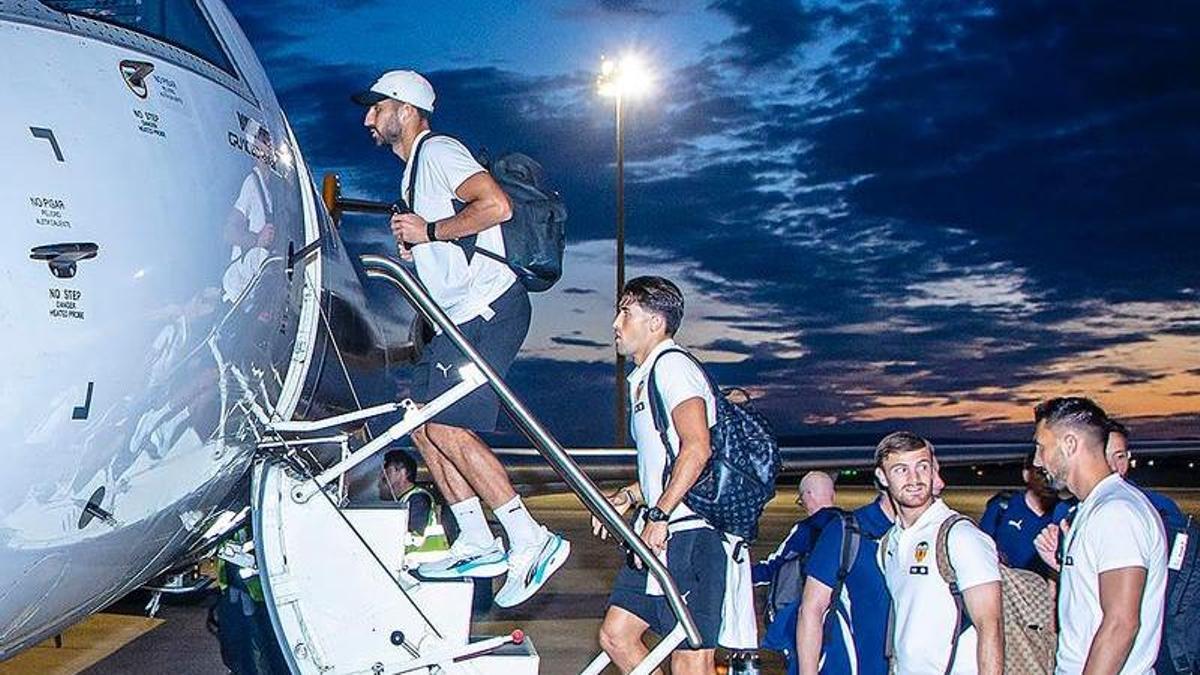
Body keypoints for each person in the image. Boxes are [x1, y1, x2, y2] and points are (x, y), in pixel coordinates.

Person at [354, 69, 568, 608]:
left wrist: (429, 231)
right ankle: (476, 538)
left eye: (377, 107)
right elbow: (454, 238)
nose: (368, 119)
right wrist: (422, 247)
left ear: (406, 109)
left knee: (447, 426)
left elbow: (496, 206)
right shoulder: (414, 174)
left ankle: (530, 538)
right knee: (423, 424)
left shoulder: (439, 151)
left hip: (488, 309)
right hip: (456, 317)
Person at [594, 276, 755, 674]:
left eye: (626, 313)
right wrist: (632, 496)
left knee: (690, 660)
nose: (615, 323)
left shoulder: (673, 367)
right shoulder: (647, 375)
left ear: (655, 322)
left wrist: (659, 514)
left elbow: (697, 447)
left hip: (692, 534)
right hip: (665, 531)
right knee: (617, 635)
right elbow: (669, 460)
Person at [1031, 398, 1167, 674]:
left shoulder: (1116, 512)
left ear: (1070, 444)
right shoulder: (1092, 508)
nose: (1036, 460)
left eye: (1041, 447)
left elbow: (1121, 624)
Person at [876, 431, 1003, 675]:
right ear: (882, 477)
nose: (914, 479)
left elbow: (991, 626)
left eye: (922, 467)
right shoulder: (888, 544)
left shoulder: (960, 536)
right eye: (901, 470)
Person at [794, 490, 895, 675]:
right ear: (883, 477)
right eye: (902, 473)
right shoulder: (847, 531)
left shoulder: (934, 532)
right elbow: (811, 609)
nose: (938, 483)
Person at [979, 449, 1058, 577]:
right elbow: (981, 548)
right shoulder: (1002, 506)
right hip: (1008, 584)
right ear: (1026, 474)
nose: (1047, 478)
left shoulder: (1064, 513)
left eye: (1052, 471)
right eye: (1040, 472)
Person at [752, 471, 839, 586]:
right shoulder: (853, 524)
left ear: (809, 495)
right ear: (833, 494)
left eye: (801, 498)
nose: (802, 503)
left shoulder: (807, 529)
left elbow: (775, 569)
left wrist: (742, 574)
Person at [378, 448, 450, 566]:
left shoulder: (417, 499)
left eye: (388, 470)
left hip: (425, 564)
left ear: (402, 472)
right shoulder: (405, 500)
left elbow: (413, 535)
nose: (383, 475)